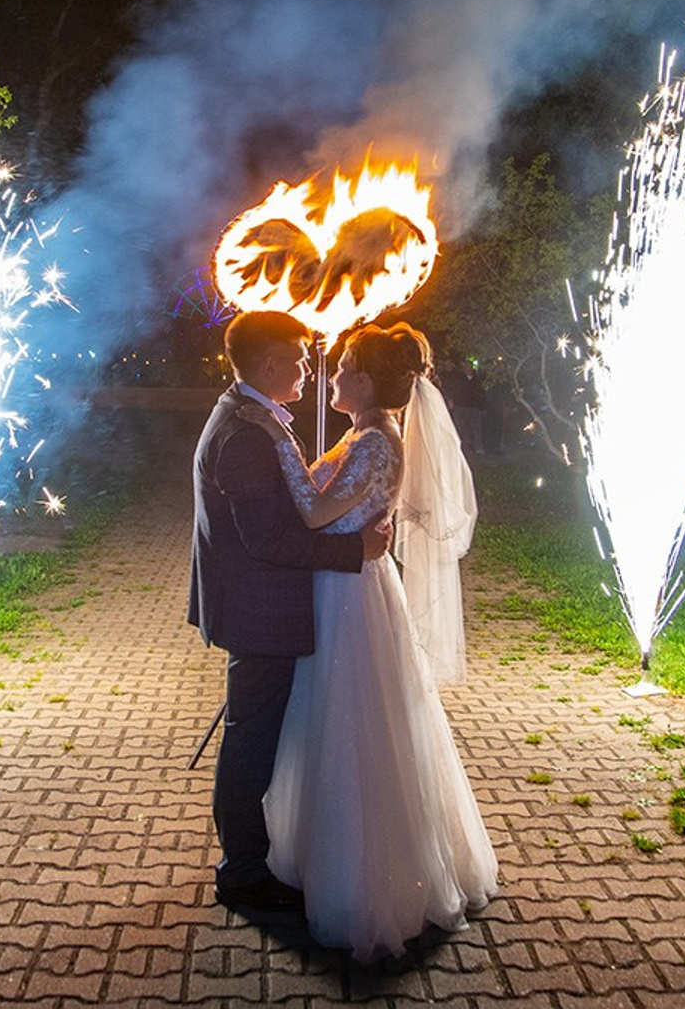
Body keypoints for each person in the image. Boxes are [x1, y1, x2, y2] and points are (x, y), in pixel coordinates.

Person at [243, 322, 497, 963]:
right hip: (349, 583)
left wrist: (278, 439)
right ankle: (325, 855)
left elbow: (312, 511)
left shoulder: (376, 444)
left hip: (350, 596)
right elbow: (328, 501)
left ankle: (364, 883)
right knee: (338, 719)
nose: (330, 377)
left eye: (341, 368)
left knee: (354, 722)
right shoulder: (365, 436)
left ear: (360, 380)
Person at [189, 310, 391, 917]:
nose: (308, 367)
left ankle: (251, 862)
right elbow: (269, 540)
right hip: (258, 611)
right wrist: (354, 548)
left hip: (258, 604)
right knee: (250, 743)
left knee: (254, 735)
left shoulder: (250, 415)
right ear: (271, 364)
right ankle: (243, 874)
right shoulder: (247, 434)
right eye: (300, 359)